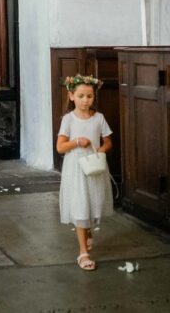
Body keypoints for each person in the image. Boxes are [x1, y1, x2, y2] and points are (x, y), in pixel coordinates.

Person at [56, 74, 114, 271]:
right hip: (76, 168)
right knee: (81, 206)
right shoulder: (68, 119)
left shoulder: (99, 118)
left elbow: (107, 141)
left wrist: (102, 149)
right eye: (81, 96)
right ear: (71, 96)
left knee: (93, 202)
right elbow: (60, 147)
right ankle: (83, 252)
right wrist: (76, 142)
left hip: (94, 167)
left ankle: (88, 230)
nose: (85, 100)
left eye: (89, 96)